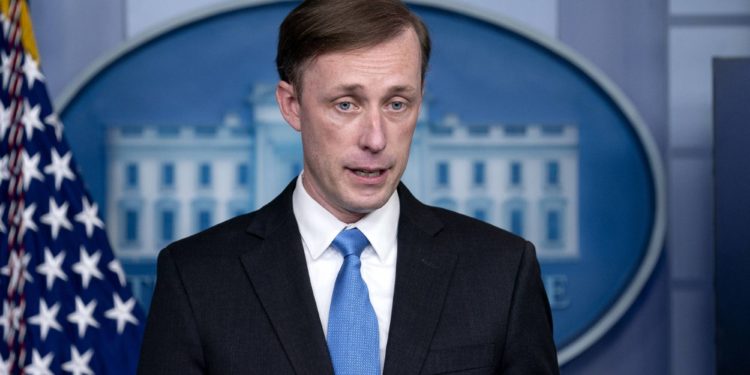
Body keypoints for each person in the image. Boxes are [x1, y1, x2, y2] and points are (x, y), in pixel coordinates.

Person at [138, 0, 559, 374]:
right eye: (346, 104)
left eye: (397, 104)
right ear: (292, 106)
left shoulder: (502, 270)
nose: (376, 138)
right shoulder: (196, 276)